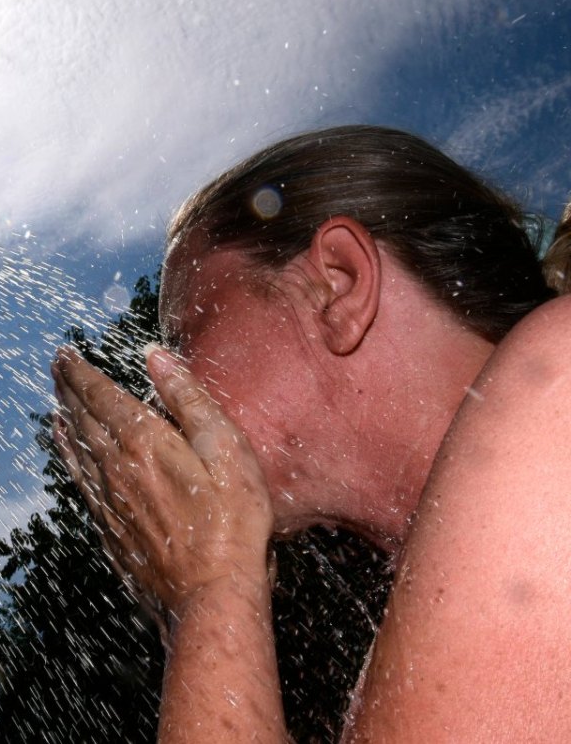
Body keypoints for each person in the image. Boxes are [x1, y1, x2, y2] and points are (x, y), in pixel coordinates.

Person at [50, 125, 571, 742]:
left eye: (189, 334)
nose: (164, 393)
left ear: (338, 284)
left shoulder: (558, 380)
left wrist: (212, 596)